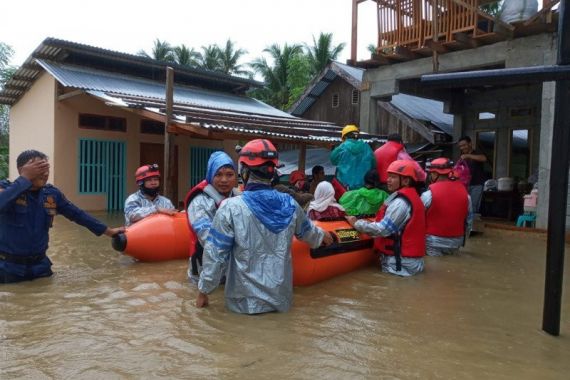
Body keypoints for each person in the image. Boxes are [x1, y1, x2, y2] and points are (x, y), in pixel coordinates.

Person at [195, 139, 333, 314]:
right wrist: (324, 236)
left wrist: (203, 291)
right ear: (272, 172)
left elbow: (215, 255)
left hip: (242, 306)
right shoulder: (291, 205)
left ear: (244, 171)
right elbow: (310, 234)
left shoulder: (230, 208)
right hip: (281, 302)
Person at [0, 150, 124, 283]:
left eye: (47, 168)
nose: (45, 173)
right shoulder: (7, 189)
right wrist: (24, 179)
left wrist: (109, 231)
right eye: (39, 169)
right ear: (22, 170)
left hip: (40, 267)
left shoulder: (51, 194)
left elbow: (78, 215)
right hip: (9, 268)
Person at [346, 160, 426, 277]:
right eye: (388, 176)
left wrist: (357, 224)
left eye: (393, 177)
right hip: (409, 262)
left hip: (400, 264)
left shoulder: (400, 203)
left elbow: (383, 229)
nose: (388, 180)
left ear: (405, 180)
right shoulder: (413, 198)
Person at [184, 151, 238, 283]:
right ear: (210, 176)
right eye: (218, 175)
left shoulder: (239, 197)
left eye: (229, 175)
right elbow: (208, 239)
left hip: (233, 272)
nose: (224, 180)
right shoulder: (199, 202)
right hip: (204, 271)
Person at [422, 158, 472, 256]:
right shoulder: (466, 195)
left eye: (431, 174)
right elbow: (469, 222)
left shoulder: (428, 195)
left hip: (432, 242)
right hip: (457, 241)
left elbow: (416, 217)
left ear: (435, 174)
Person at [330, 124, 375, 190]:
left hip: (345, 189)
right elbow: (374, 164)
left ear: (345, 137)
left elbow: (333, 160)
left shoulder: (341, 148)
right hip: (363, 189)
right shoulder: (367, 148)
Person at [457, 136, 487, 213]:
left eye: (464, 145)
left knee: (473, 206)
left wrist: (468, 156)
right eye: (460, 146)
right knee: (464, 205)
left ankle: (473, 223)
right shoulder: (461, 156)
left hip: (477, 184)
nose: (462, 147)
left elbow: (484, 158)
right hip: (464, 185)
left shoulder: (476, 152)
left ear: (470, 143)